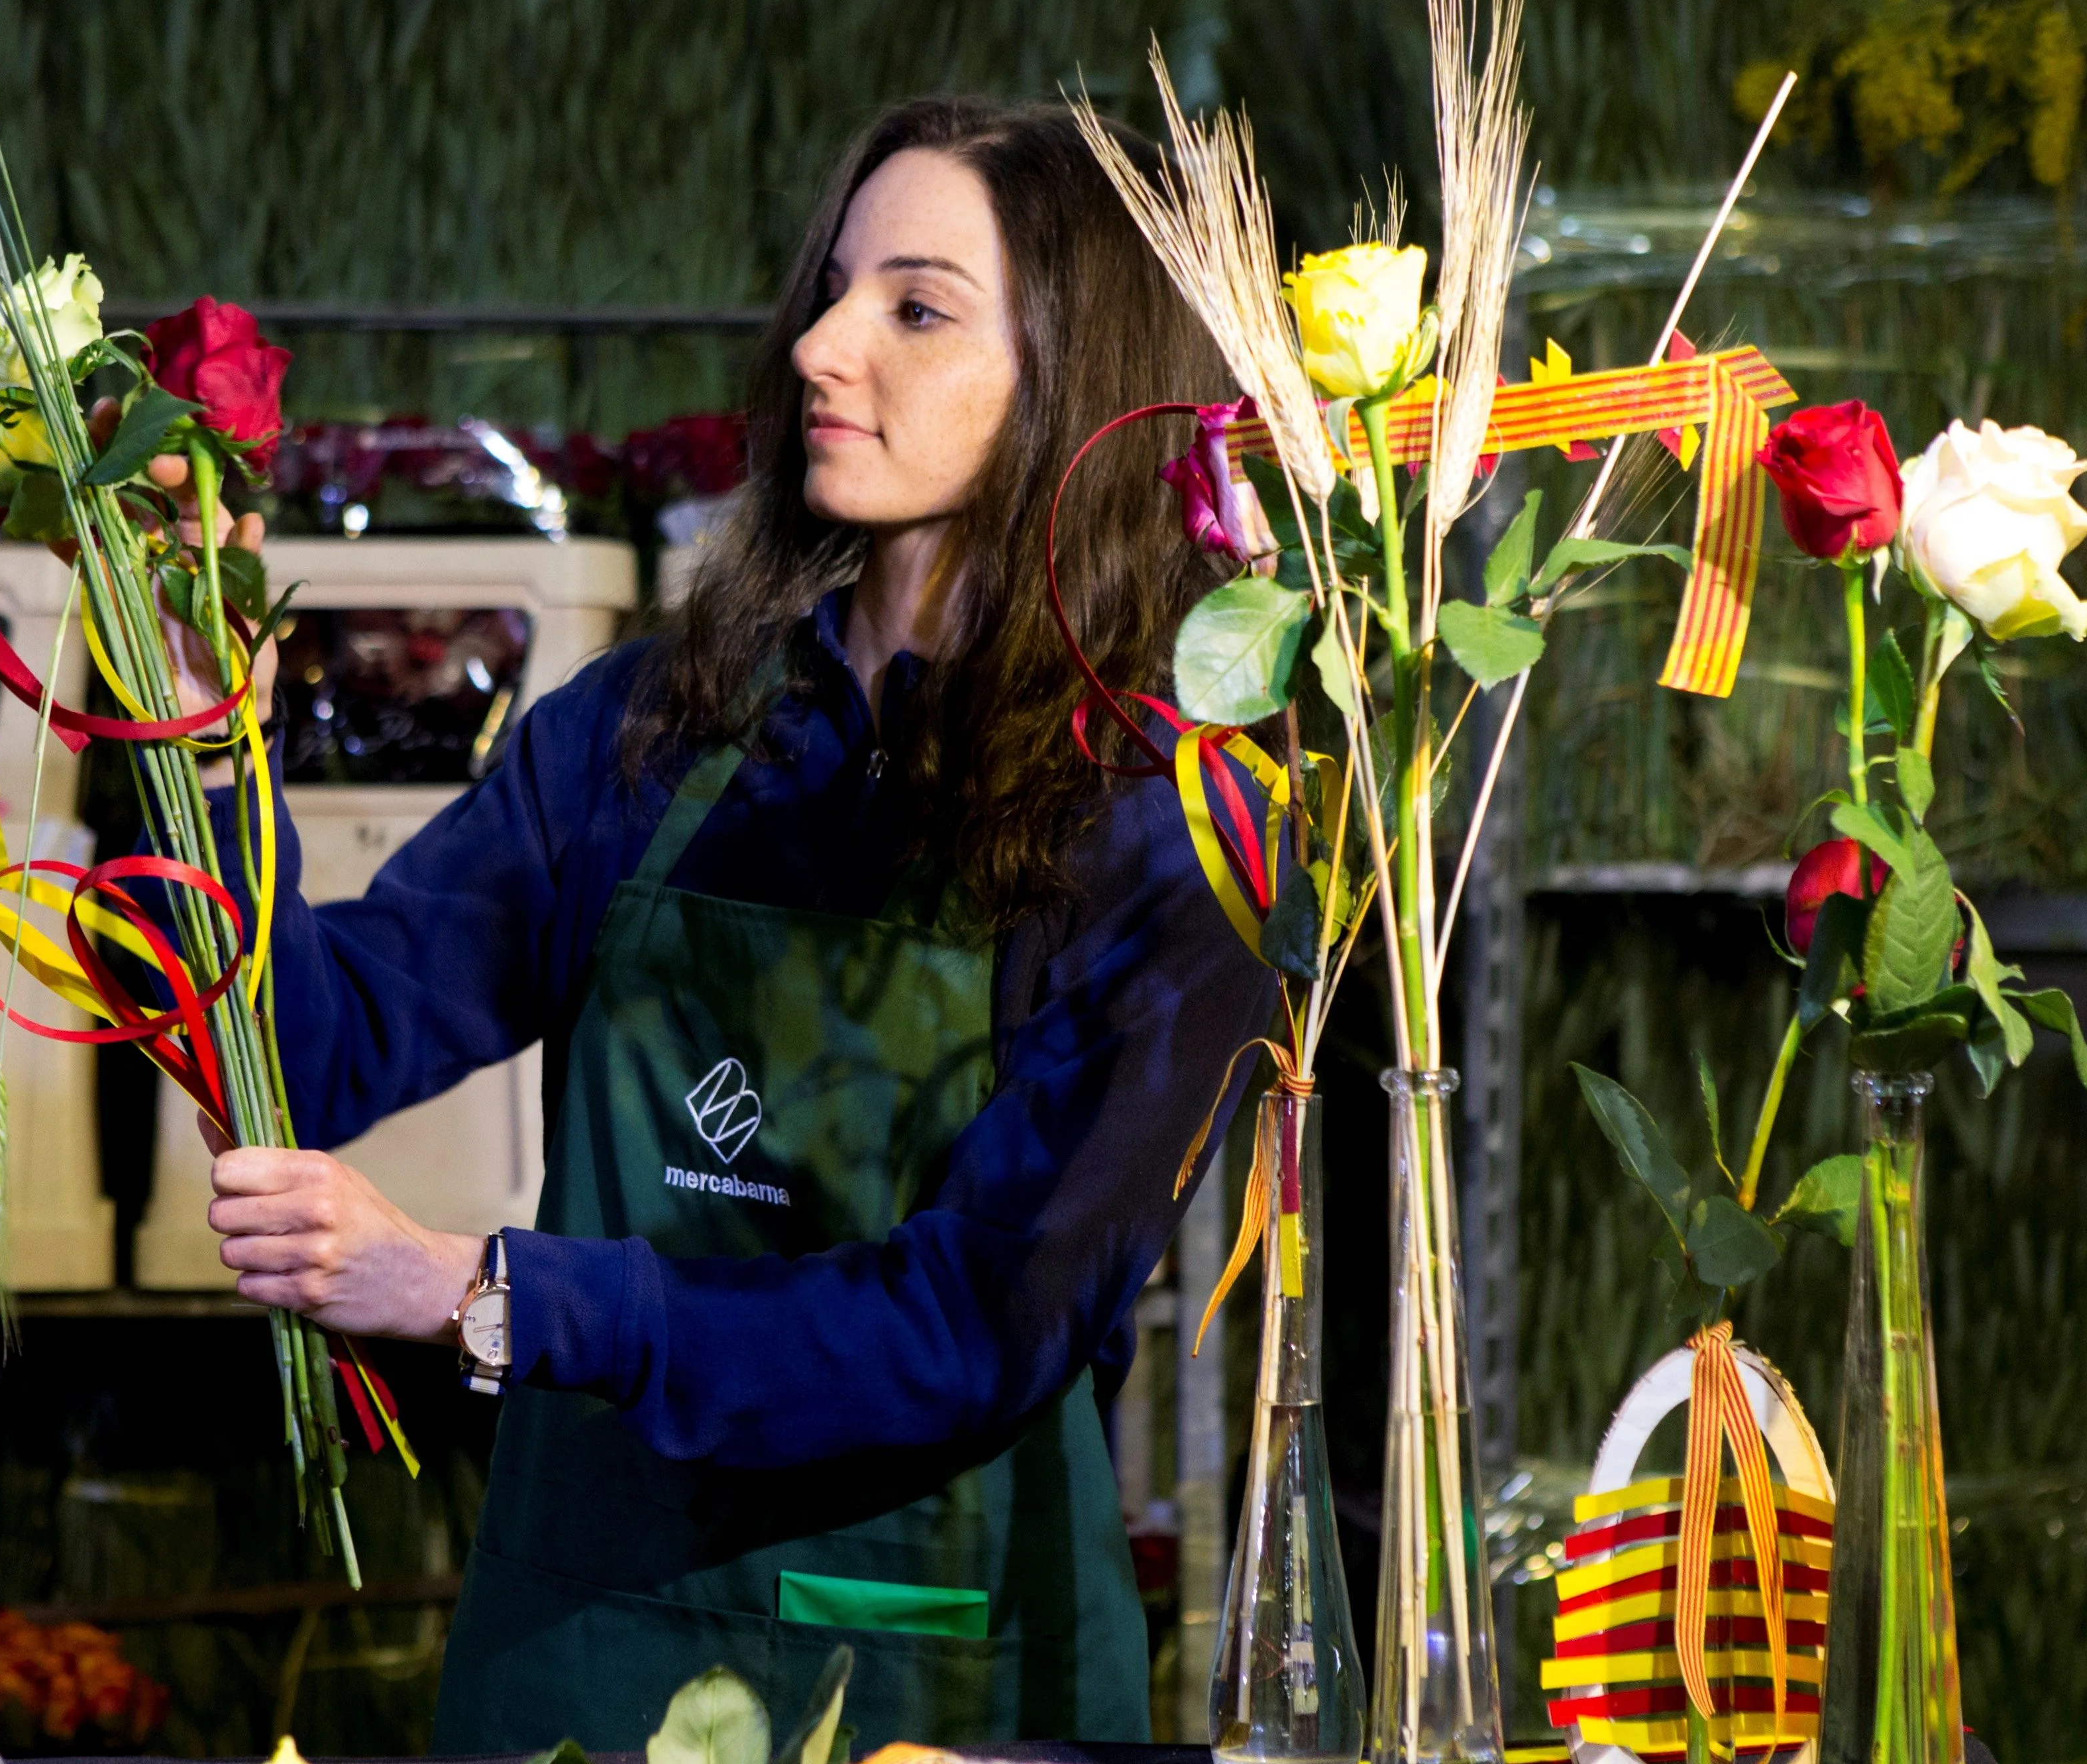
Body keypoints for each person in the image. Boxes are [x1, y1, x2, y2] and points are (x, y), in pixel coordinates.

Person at [144, 96, 1277, 1749]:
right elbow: (311, 1051)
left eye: (915, 305)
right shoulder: (654, 728)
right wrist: (200, 747)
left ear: (1075, 373)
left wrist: (493, 1296)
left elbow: (981, 1322)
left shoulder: (1171, 826)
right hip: (578, 1658)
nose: (822, 344)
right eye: (831, 286)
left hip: (928, 1687)